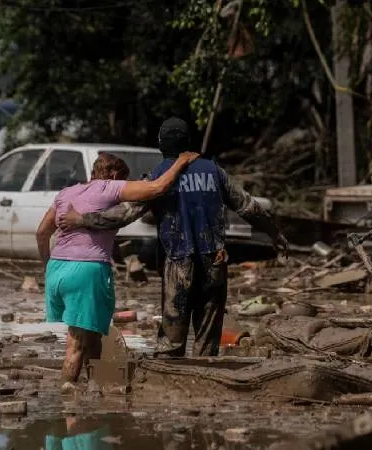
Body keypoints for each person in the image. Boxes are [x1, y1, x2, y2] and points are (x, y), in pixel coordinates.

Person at [60, 117, 290, 358]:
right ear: (188, 142)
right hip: (215, 261)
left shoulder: (159, 176)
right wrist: (275, 233)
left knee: (171, 341)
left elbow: (125, 214)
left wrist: (82, 219)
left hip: (179, 264)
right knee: (207, 337)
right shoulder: (213, 171)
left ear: (161, 144)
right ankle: (207, 384)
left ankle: (170, 387)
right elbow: (248, 206)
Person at [35, 151, 200, 391]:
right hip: (87, 270)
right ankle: (67, 397)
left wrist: (48, 267)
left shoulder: (66, 192)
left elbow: (41, 233)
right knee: (77, 342)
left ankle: (94, 385)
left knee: (92, 333)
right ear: (113, 174)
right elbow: (156, 188)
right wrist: (181, 162)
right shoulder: (109, 189)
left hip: (57, 268)